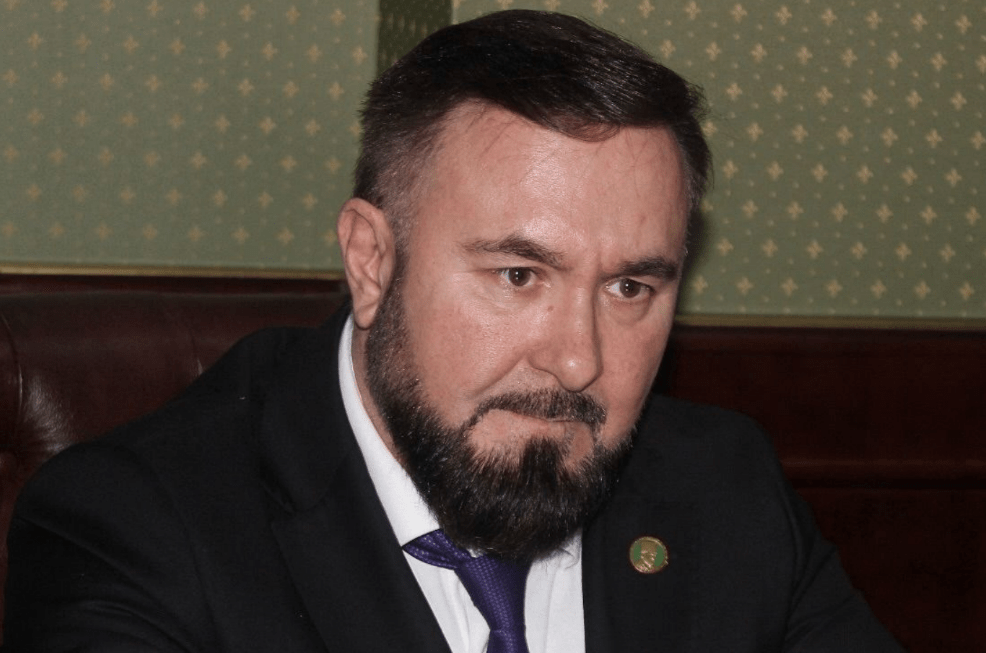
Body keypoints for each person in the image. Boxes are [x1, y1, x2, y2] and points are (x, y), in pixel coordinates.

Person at [3, 10, 902, 652]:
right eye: (518, 275)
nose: (578, 359)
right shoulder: (136, 527)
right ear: (371, 261)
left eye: (630, 286)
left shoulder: (723, 489)